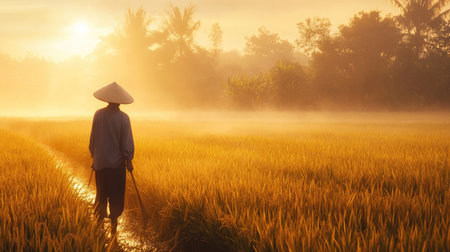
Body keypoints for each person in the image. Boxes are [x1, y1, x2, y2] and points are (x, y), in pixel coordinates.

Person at [89, 82, 135, 235]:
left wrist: (94, 156)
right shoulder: (123, 118)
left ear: (107, 99)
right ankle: (113, 229)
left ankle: (99, 229)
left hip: (100, 165)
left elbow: (93, 140)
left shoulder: (98, 114)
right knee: (116, 196)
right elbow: (126, 142)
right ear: (120, 101)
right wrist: (129, 160)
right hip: (116, 167)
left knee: (101, 195)